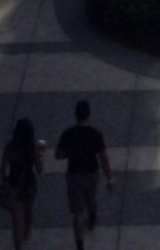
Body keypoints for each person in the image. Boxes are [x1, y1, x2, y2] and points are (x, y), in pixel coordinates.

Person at [55, 98, 114, 249]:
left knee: (77, 212)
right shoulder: (96, 134)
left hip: (74, 174)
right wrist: (109, 177)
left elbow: (58, 155)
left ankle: (79, 244)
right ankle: (93, 216)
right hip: (92, 173)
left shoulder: (68, 134)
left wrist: (72, 152)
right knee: (91, 197)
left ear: (76, 115)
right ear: (89, 115)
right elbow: (103, 158)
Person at [0, 115, 44, 250]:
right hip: (29, 184)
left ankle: (18, 245)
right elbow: (39, 170)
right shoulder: (32, 148)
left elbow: (2, 169)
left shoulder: (10, 147)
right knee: (28, 210)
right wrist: (41, 156)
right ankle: (27, 231)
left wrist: (5, 181)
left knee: (17, 219)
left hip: (14, 184)